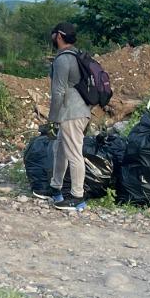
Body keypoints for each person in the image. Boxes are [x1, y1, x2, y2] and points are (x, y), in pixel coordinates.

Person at [40, 21, 92, 212]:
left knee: (74, 155)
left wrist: (52, 118)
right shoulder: (76, 55)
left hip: (71, 113)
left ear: (59, 36)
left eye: (53, 35)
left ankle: (77, 197)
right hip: (78, 110)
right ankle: (56, 188)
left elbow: (58, 92)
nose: (52, 38)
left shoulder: (63, 59)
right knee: (60, 149)